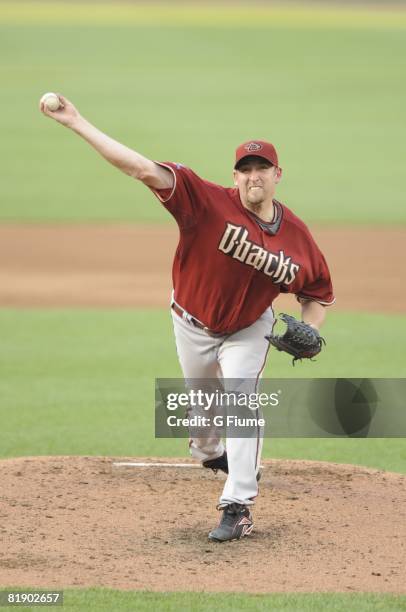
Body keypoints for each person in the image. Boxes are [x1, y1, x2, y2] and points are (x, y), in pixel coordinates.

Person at [40, 95, 335, 542]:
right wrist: (77, 121)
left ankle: (238, 506)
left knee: (241, 400)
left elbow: (318, 295)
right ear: (234, 175)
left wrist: (310, 328)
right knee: (204, 413)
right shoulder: (205, 201)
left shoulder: (297, 237)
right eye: (245, 169)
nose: (254, 176)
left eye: (263, 168)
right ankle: (208, 449)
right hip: (191, 323)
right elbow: (140, 168)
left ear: (278, 175)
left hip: (250, 329)